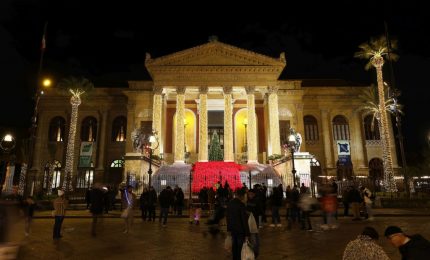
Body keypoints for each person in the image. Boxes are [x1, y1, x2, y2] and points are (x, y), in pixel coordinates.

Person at [226, 189, 250, 260]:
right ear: (242, 196)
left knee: (234, 246)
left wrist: (229, 229)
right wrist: (247, 233)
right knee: (240, 247)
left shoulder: (230, 203)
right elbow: (244, 220)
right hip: (240, 230)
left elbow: (228, 217)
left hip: (233, 229)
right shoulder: (241, 205)